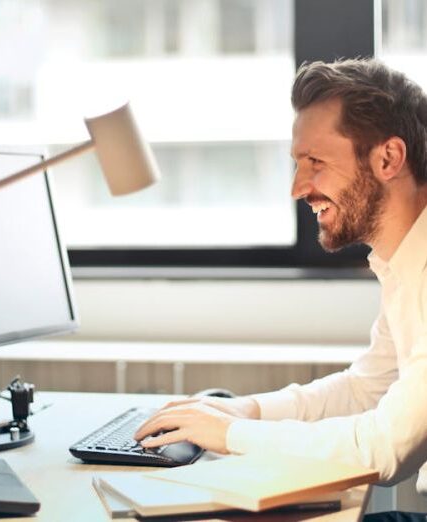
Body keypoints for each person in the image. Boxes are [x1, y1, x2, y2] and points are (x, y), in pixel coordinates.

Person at [134, 58, 427, 521]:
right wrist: (242, 411)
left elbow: (384, 449)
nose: (297, 188)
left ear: (388, 158)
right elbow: (365, 389)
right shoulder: (403, 264)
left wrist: (229, 436)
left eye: (316, 163)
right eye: (297, 163)